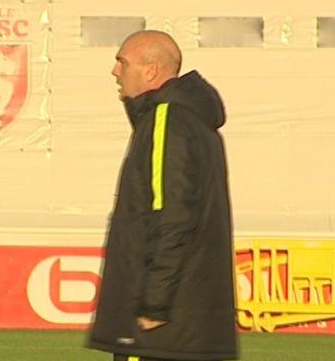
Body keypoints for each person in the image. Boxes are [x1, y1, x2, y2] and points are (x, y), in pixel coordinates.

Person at [87, 30, 239, 361]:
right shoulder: (194, 121)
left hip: (163, 330)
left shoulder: (167, 118)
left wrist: (153, 304)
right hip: (191, 326)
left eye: (122, 62)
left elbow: (173, 216)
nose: (115, 72)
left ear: (152, 70)